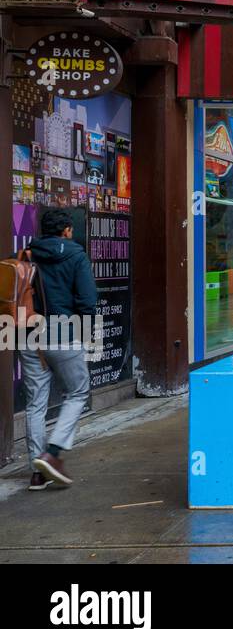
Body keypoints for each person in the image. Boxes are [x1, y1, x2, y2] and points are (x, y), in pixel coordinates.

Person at [21, 208, 97, 489]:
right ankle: (52, 453)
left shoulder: (28, 253)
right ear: (66, 230)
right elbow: (88, 299)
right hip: (65, 333)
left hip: (28, 334)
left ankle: (37, 473)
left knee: (35, 402)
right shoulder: (76, 255)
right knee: (77, 393)